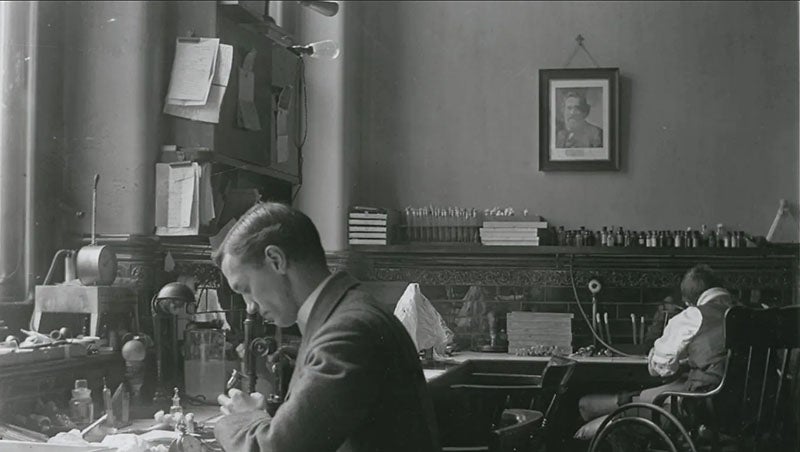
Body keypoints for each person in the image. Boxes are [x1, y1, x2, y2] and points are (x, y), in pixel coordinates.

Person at [212, 202, 440, 452]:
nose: (250, 307)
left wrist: (236, 420)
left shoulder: (347, 331)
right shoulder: (345, 311)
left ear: (276, 260)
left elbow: (278, 449)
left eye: (245, 289)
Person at [575, 264, 734, 439]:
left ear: (689, 301)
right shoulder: (751, 315)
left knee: (589, 427)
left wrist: (660, 357)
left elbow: (660, 367)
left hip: (699, 410)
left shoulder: (694, 315)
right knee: (666, 389)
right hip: (736, 411)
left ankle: (602, 424)